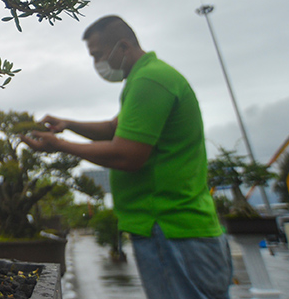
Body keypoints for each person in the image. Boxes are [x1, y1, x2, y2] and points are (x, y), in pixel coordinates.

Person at [21, 15, 232, 299]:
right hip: (177, 228)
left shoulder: (149, 80)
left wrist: (60, 145)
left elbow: (127, 155)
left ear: (122, 46)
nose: (96, 63)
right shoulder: (148, 76)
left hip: (170, 227)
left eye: (98, 54)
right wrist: (68, 124)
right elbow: (113, 128)